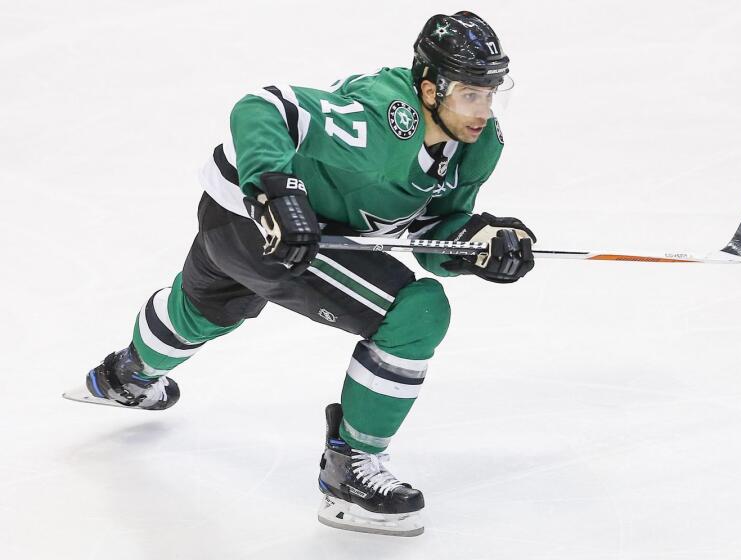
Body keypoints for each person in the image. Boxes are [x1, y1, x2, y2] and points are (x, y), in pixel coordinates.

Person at [79, 11, 536, 536]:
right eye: (470, 94)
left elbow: (428, 232)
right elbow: (264, 108)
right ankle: (350, 468)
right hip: (257, 221)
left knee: (198, 315)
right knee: (417, 313)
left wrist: (478, 242)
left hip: (239, 221)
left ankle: (125, 374)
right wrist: (276, 193)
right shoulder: (385, 118)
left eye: (491, 93)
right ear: (430, 88)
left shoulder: (478, 147)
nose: (484, 110)